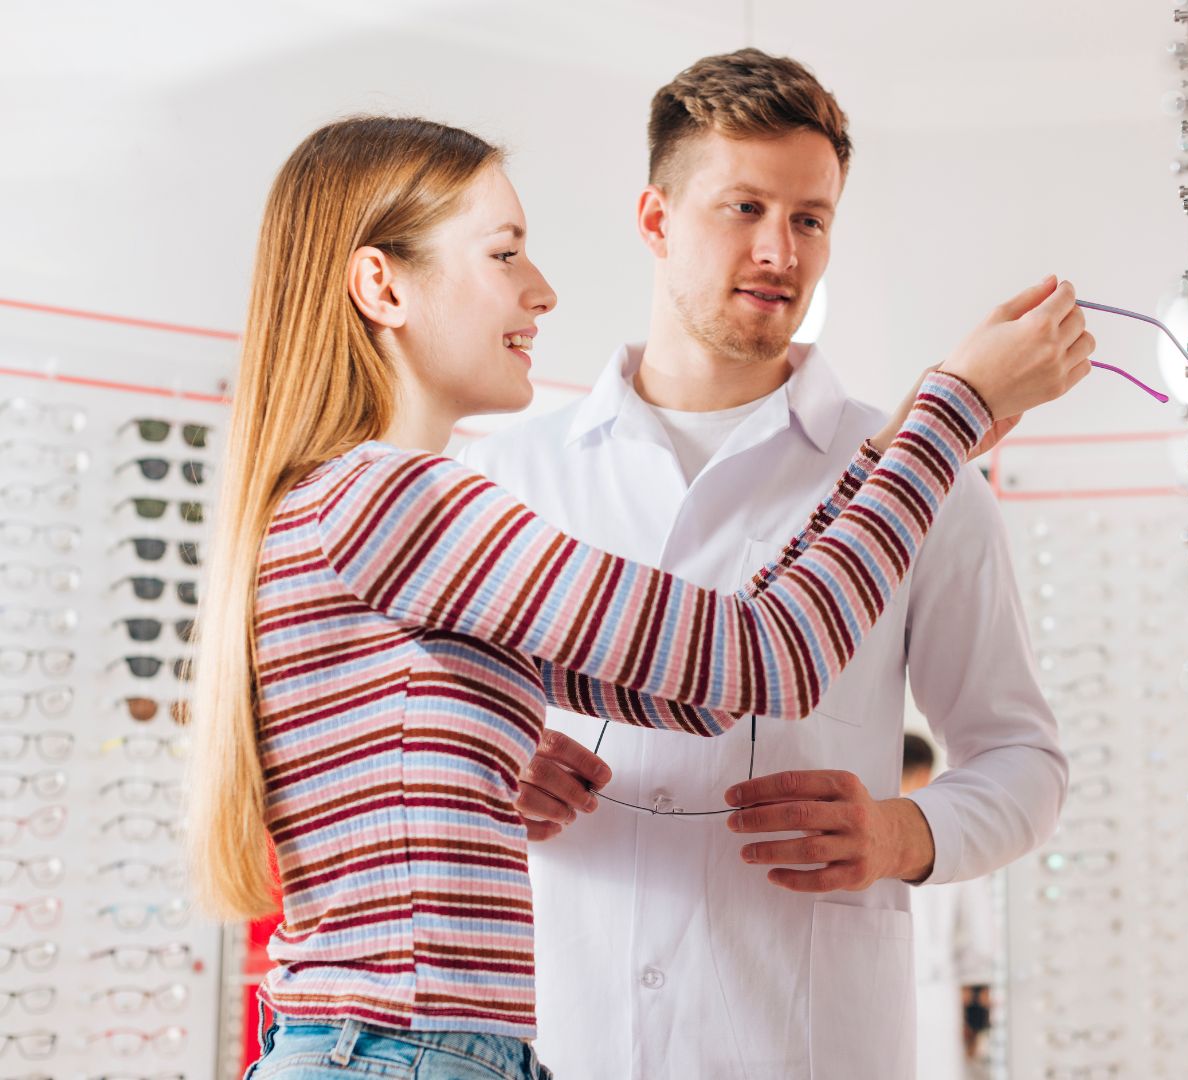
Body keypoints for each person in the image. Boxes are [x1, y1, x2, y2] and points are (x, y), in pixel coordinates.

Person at [183, 115, 1093, 1080]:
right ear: (382, 285)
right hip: (405, 1054)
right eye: (504, 253)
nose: (542, 290)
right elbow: (762, 658)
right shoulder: (404, 498)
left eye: (810, 218)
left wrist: (886, 456)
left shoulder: (367, 503)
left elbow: (701, 693)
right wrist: (954, 415)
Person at [460, 50, 1077, 1079]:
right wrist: (492, 766)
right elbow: (427, 738)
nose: (778, 250)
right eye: (742, 207)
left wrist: (902, 833)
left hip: (799, 1039)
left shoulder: (923, 484)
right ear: (655, 220)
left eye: (810, 218)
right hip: (555, 1031)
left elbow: (1025, 762)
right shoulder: (504, 475)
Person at [902, 733, 997, 1079]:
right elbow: (979, 941)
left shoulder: (859, 835)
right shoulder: (952, 836)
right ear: (925, 775)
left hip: (871, 998)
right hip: (935, 998)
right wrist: (977, 1016)